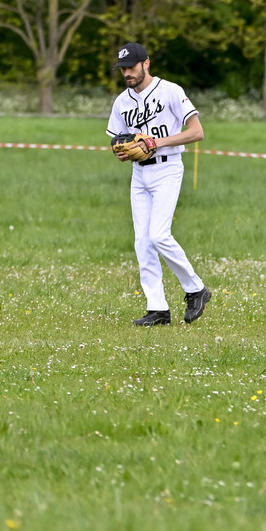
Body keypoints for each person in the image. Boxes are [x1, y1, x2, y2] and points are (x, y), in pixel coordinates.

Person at [106, 42, 212, 326]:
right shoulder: (122, 102)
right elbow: (118, 139)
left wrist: (156, 142)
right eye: (123, 68)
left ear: (146, 63)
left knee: (158, 235)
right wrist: (121, 150)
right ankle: (158, 309)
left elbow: (197, 132)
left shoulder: (171, 91)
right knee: (142, 242)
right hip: (139, 174)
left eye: (132, 66)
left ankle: (196, 288)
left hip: (167, 170)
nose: (127, 73)